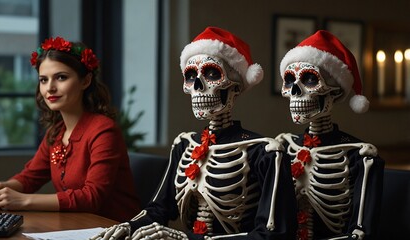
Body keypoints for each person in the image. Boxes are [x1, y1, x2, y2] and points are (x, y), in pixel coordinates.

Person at [92, 27, 297, 240]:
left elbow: (273, 235)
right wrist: (129, 227)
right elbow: (159, 210)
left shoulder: (264, 150)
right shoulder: (184, 144)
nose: (198, 86)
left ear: (236, 88)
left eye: (211, 74)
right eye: (191, 76)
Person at [0, 36, 141, 222]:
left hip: (115, 229)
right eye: (43, 80)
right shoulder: (56, 132)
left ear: (85, 81)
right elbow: (30, 178)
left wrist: (24, 201)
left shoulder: (103, 131)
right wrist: (1, 187)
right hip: (76, 227)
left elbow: (92, 197)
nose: (50, 88)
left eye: (61, 77)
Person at [275, 30, 384, 239]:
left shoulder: (361, 156)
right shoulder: (282, 147)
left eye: (309, 80)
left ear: (335, 92)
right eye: (290, 81)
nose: (295, 91)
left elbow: (362, 233)